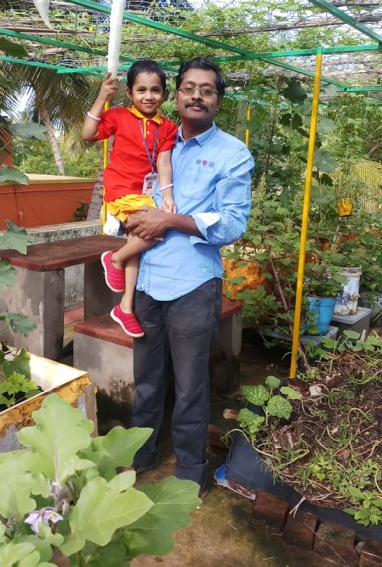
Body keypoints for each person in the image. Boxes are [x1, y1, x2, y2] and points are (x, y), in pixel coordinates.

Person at [124, 56, 254, 496]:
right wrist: (126, 219)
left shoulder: (231, 153)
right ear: (175, 94)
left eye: (207, 89)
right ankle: (141, 455)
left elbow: (234, 224)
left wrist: (169, 221)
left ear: (218, 100)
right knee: (146, 381)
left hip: (193, 285)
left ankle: (189, 474)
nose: (196, 95)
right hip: (146, 282)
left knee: (191, 387)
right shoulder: (153, 140)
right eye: (188, 87)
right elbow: (130, 196)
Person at [82, 60, 178, 338]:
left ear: (165, 94)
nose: (149, 96)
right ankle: (115, 259)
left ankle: (126, 307)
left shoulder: (168, 128)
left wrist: (167, 196)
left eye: (156, 90)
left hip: (145, 194)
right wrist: (101, 98)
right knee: (157, 230)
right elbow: (88, 134)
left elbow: (164, 163)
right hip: (121, 192)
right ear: (130, 93)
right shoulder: (119, 116)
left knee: (140, 242)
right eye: (142, 90)